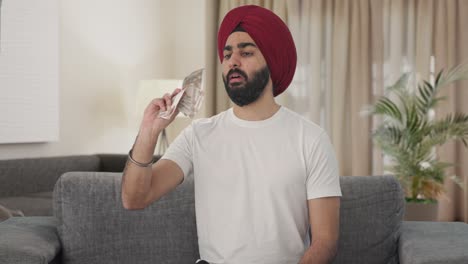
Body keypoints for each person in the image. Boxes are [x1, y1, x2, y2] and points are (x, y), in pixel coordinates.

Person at [121, 5, 341, 264]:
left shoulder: (311, 139)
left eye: (246, 52)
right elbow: (135, 198)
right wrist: (149, 132)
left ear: (272, 60)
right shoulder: (198, 135)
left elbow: (325, 241)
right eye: (227, 55)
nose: (232, 62)